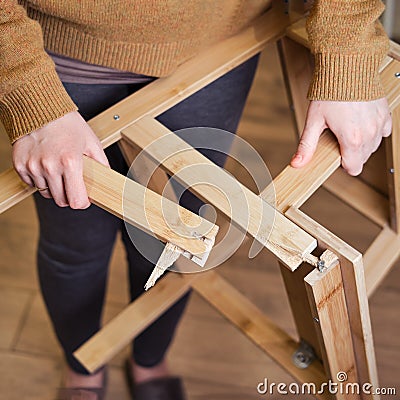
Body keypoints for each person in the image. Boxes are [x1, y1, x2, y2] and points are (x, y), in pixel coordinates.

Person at [0, 1, 392, 399]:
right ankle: (82, 370)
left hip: (215, 45)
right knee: (74, 248)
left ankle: (150, 360)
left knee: (173, 240)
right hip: (59, 53)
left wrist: (350, 53)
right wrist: (26, 91)